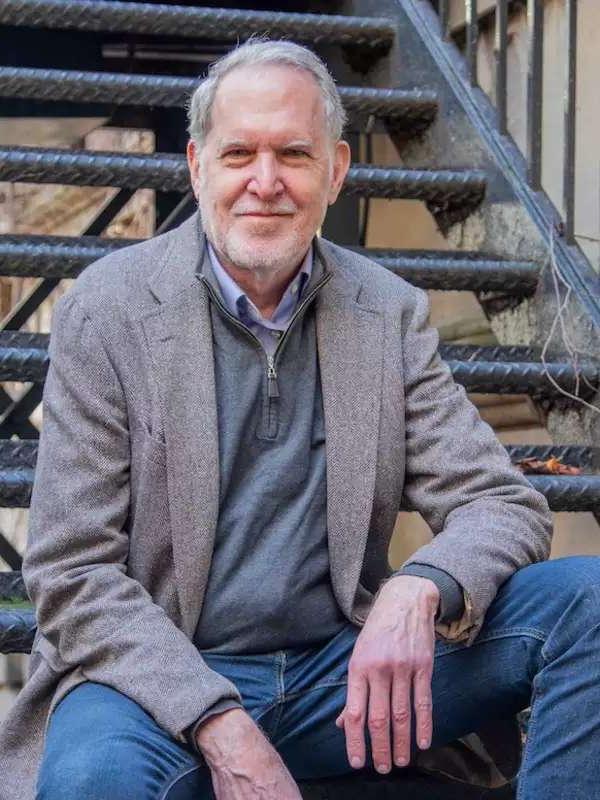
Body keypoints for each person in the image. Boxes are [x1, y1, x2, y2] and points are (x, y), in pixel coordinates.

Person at [1, 38, 599, 800]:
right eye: (239, 153)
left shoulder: (386, 311)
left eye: (293, 153)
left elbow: (499, 501)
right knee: (93, 782)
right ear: (196, 166)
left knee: (588, 603)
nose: (265, 182)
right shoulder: (108, 310)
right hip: (155, 680)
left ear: (337, 171)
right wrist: (218, 719)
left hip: (337, 672)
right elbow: (71, 570)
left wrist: (421, 587)